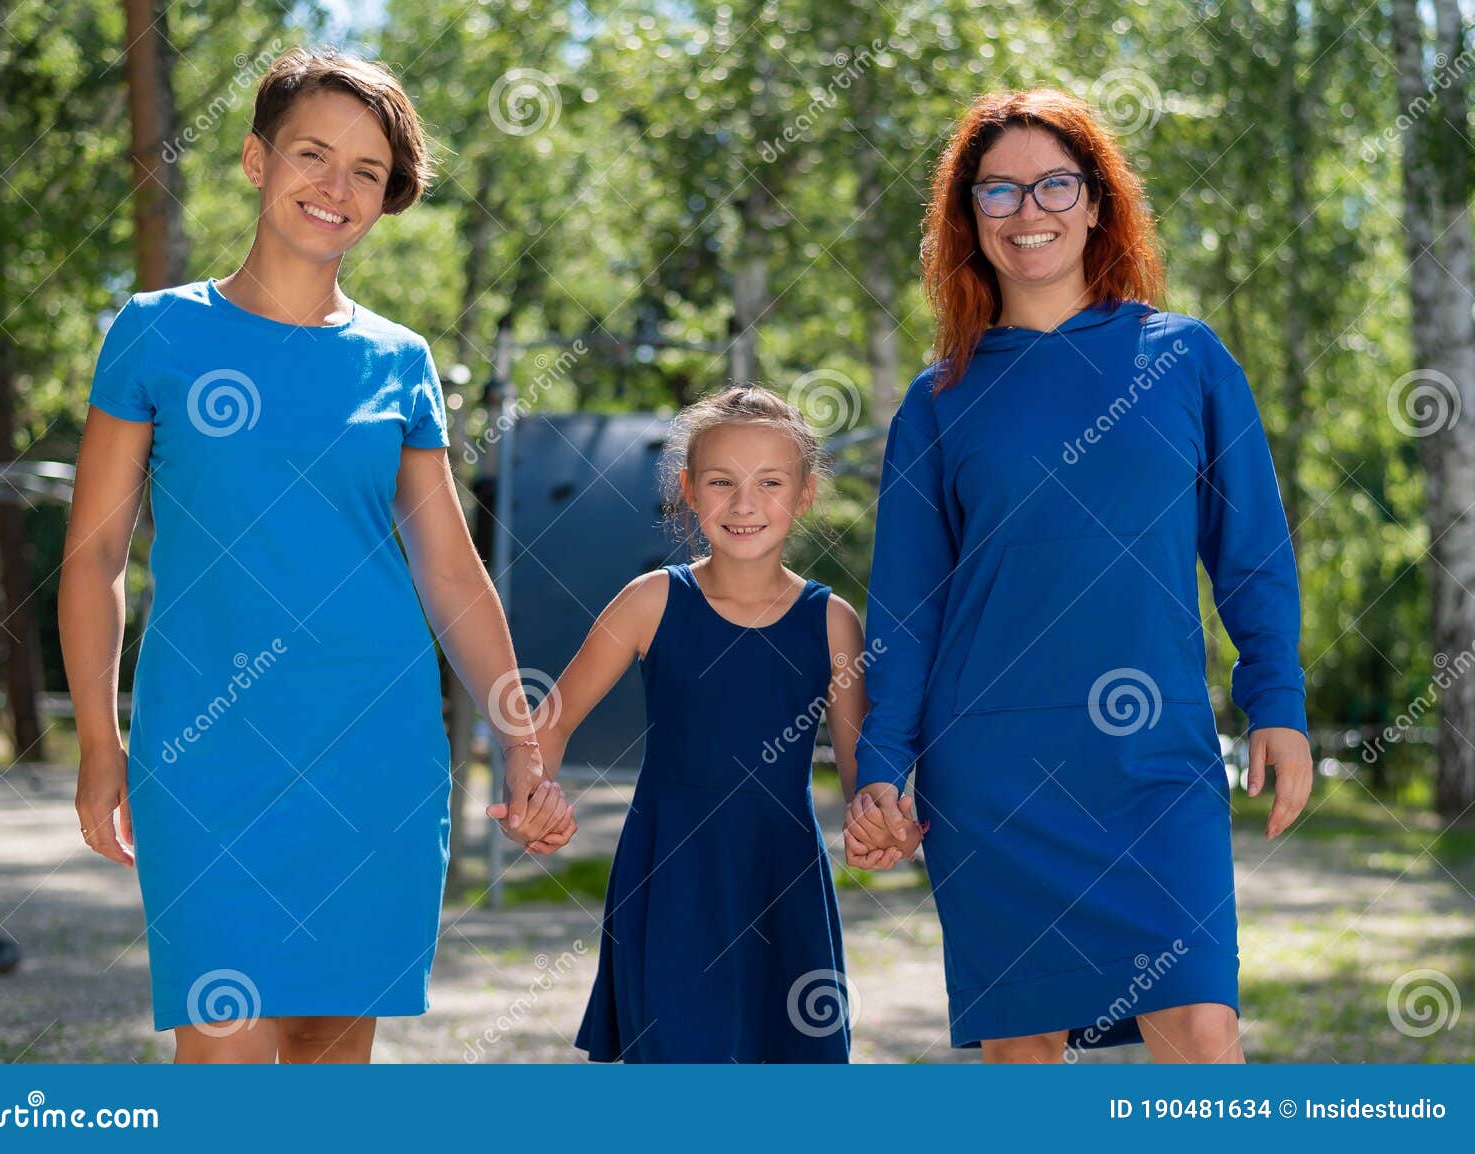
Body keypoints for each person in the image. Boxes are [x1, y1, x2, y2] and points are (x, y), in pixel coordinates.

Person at [59, 46, 575, 1064]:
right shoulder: (156, 332)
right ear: (256, 160)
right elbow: (95, 553)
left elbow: (448, 567)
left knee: (330, 1066)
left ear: (385, 200)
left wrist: (520, 733)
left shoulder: (399, 360)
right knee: (226, 1058)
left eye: (366, 172)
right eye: (311, 153)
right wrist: (96, 738)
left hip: (373, 751)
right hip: (204, 752)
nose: (334, 187)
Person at [845, 88, 1312, 1064]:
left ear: (1097, 203)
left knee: (1199, 1034)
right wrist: (882, 765)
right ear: (967, 217)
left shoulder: (1186, 360)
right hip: (994, 776)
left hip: (1156, 764)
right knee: (1025, 1062)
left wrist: (1277, 700)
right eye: (998, 191)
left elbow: (1252, 551)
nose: (1028, 211)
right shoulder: (938, 402)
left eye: (1054, 183)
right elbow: (907, 606)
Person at [534, 386, 898, 1062]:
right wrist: (535, 792)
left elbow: (860, 774)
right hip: (669, 878)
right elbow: (547, 724)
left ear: (806, 493)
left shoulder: (832, 620)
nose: (744, 503)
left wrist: (879, 814)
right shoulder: (651, 602)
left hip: (781, 878)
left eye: (770, 482)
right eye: (722, 482)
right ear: (689, 491)